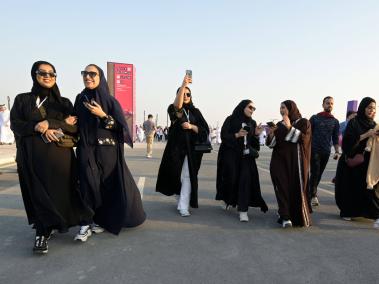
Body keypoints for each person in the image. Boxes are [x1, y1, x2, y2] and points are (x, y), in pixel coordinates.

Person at [10, 61, 92, 254]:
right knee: (36, 194)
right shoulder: (22, 100)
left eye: (51, 73)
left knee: (63, 192)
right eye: (42, 72)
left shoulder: (63, 103)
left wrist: (52, 123)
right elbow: (16, 124)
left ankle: (73, 222)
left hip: (58, 157)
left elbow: (74, 127)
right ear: (34, 74)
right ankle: (42, 231)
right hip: (30, 157)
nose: (47, 76)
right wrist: (37, 127)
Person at [74, 64, 145, 241]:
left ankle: (102, 220)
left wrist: (103, 115)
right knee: (86, 183)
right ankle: (85, 223)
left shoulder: (110, 101)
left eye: (92, 74)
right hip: (86, 149)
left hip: (107, 151)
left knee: (106, 185)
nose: (88, 77)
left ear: (100, 77)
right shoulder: (79, 99)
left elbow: (121, 128)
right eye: (85, 73)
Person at [156, 74, 209, 217]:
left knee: (187, 175)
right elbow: (177, 108)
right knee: (176, 175)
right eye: (183, 92)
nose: (186, 95)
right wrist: (184, 84)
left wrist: (192, 126)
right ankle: (180, 196)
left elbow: (204, 130)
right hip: (176, 148)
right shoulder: (172, 109)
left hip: (192, 149)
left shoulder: (196, 112)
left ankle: (184, 205)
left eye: (188, 93)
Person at [216, 100, 268, 222]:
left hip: (246, 157)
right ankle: (228, 200)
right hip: (231, 156)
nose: (252, 110)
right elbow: (224, 136)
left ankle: (243, 210)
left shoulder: (253, 123)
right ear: (242, 107)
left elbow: (254, 145)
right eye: (250, 107)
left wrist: (256, 134)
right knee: (232, 179)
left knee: (245, 180)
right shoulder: (231, 119)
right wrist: (237, 135)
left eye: (254, 109)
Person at [266, 100, 312, 228]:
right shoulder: (279, 124)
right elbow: (271, 144)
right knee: (282, 188)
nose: (282, 110)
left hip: (296, 164)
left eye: (284, 108)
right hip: (279, 162)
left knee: (295, 189)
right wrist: (271, 133)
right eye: (280, 108)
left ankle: (294, 214)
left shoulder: (303, 122)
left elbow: (303, 139)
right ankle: (285, 216)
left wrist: (289, 127)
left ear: (292, 109)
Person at [335, 97, 379, 228]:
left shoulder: (373, 124)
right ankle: (348, 211)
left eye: (374, 108)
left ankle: (374, 214)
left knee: (368, 189)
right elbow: (347, 144)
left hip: (367, 164)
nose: (372, 111)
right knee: (349, 189)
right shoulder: (355, 122)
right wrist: (366, 135)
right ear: (363, 108)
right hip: (352, 163)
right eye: (369, 108)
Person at [309, 96, 340, 206]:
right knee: (315, 172)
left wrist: (337, 151)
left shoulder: (335, 122)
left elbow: (335, 138)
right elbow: (308, 134)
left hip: (326, 151)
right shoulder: (315, 118)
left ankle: (310, 191)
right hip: (314, 150)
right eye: (327, 103)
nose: (329, 105)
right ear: (323, 105)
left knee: (319, 173)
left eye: (331, 103)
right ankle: (313, 195)